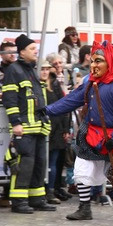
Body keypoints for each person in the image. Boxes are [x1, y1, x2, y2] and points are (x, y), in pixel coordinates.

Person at [45, 41, 113, 221]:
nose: (94, 65)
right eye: (92, 61)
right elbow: (73, 99)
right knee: (82, 169)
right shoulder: (90, 82)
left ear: (109, 63)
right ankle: (84, 208)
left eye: (99, 61)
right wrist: (48, 110)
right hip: (91, 133)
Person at [0, 34, 55, 214]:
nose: (35, 51)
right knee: (24, 163)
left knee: (39, 163)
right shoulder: (13, 70)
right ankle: (18, 201)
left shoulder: (31, 70)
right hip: (24, 127)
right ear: (22, 52)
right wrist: (15, 123)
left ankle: (37, 198)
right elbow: (10, 99)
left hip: (38, 126)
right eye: (32, 48)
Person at [43, 54, 72, 203]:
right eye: (42, 69)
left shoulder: (54, 84)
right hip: (44, 128)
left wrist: (66, 129)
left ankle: (52, 191)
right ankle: (44, 190)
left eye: (46, 69)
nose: (45, 72)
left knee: (54, 162)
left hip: (57, 128)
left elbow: (64, 106)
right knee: (45, 162)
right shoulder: (37, 85)